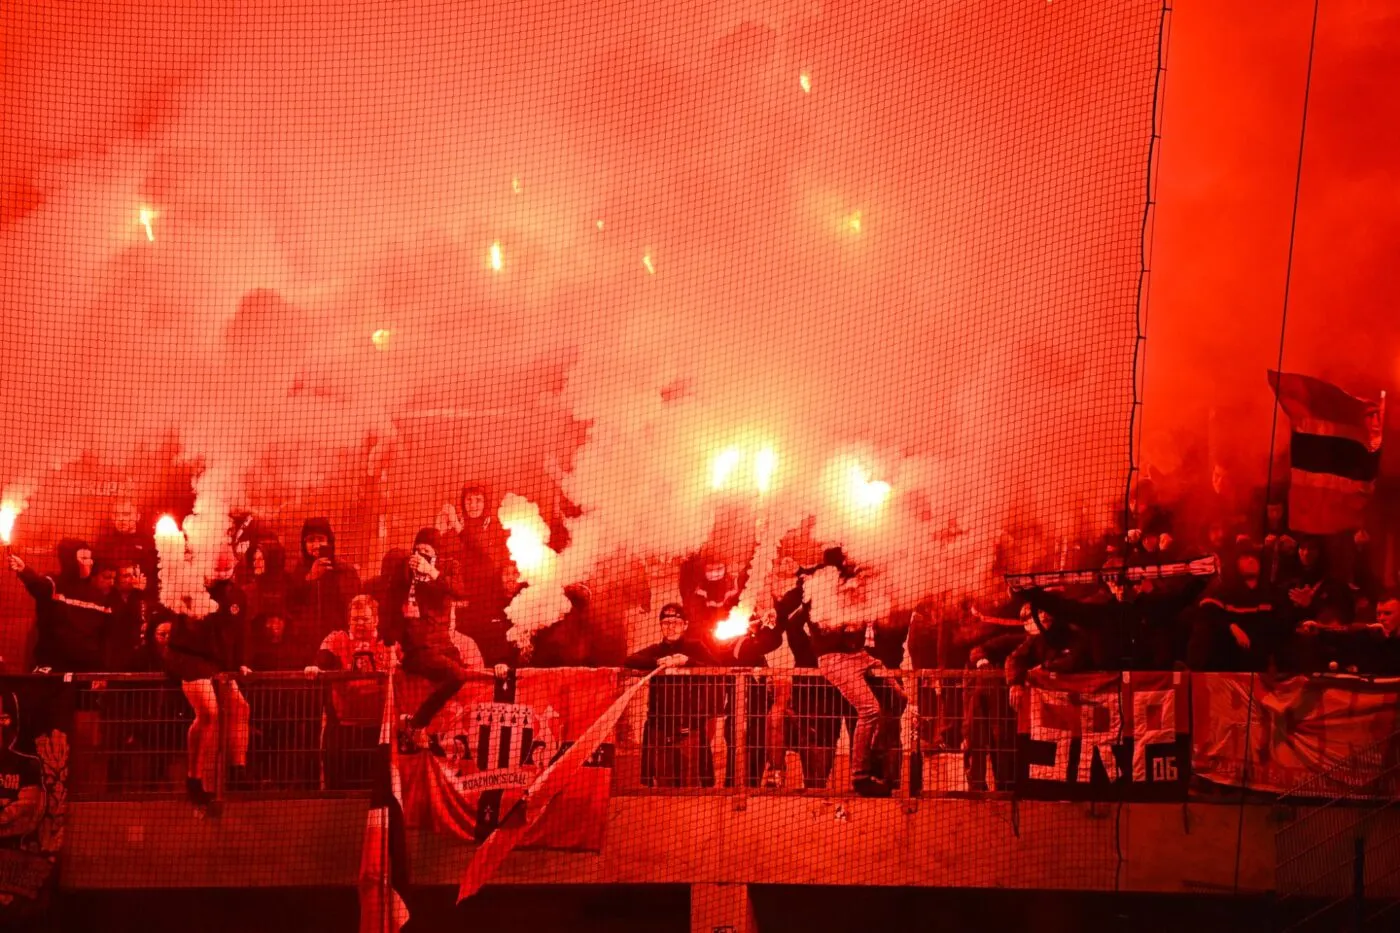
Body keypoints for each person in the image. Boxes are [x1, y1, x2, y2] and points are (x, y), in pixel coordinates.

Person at [389, 528, 497, 752]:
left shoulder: (448, 568)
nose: (421, 554)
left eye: (427, 550)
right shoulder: (404, 569)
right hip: (418, 645)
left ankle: (432, 729)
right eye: (418, 549)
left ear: (436, 553)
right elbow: (390, 604)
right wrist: (391, 643)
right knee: (456, 675)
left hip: (443, 643)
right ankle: (416, 724)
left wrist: (431, 571)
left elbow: (460, 591)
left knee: (464, 676)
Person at [802, 565, 896, 797]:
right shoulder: (819, 589)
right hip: (835, 659)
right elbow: (815, 629)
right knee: (870, 709)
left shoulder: (856, 592)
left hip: (859, 655)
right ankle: (861, 776)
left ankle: (876, 759)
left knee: (899, 698)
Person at [164, 580, 251, 808]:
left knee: (240, 707)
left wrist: (241, 662)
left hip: (217, 663)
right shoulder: (191, 584)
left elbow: (240, 631)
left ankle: (238, 771)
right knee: (208, 713)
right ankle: (193, 780)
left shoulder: (236, 594)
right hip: (189, 658)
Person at [307, 595, 399, 788]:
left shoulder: (389, 643)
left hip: (380, 729)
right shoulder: (337, 639)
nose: (359, 624)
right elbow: (322, 659)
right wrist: (316, 667)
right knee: (340, 787)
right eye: (355, 619)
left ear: (376, 620)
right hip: (344, 728)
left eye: (364, 619)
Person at [623, 604, 711, 787]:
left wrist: (688, 661)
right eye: (666, 623)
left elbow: (716, 665)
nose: (671, 627)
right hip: (661, 726)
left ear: (685, 625)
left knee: (691, 785)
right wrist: (657, 662)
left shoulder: (695, 647)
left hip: (690, 725)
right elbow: (630, 660)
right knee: (664, 784)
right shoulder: (656, 650)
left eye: (676, 623)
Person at [10, 540, 111, 673]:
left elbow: (105, 636)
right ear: (70, 560)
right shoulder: (54, 585)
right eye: (84, 558)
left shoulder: (98, 596)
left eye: (90, 558)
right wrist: (24, 570)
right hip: (54, 668)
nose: (90, 562)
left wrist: (101, 670)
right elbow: (39, 585)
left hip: (86, 671)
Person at [287, 518, 361, 643]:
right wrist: (310, 578)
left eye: (321, 539)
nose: (316, 545)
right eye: (311, 540)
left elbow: (352, 605)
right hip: (305, 642)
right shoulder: (297, 571)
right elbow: (292, 605)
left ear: (329, 541)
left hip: (338, 641)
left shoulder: (345, 570)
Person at [0, 691, 43, 849]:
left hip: (17, 847)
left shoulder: (27, 764)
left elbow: (27, 812)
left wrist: (4, 816)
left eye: (3, 719)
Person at [95, 500, 159, 598]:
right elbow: (97, 576)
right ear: (112, 517)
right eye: (117, 515)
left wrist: (146, 586)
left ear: (137, 517)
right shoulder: (104, 542)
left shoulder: (149, 543)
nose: (121, 519)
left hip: (141, 597)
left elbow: (156, 576)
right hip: (111, 598)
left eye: (126, 514)